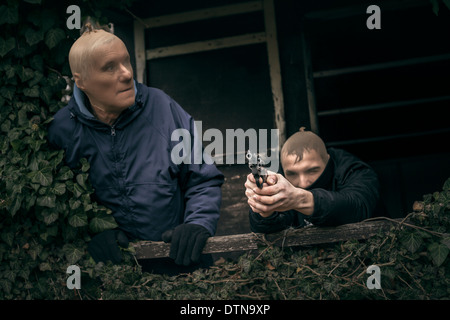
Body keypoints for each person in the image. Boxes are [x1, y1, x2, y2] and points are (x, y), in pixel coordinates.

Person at [48, 25, 224, 272]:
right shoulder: (61, 130)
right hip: (115, 278)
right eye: (110, 67)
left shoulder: (162, 108)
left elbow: (202, 178)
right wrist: (88, 235)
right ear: (82, 81)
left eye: (126, 62)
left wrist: (198, 223)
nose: (127, 74)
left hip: (184, 266)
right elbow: (60, 207)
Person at [245, 127, 385, 233]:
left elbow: (357, 208)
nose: (303, 182)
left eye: (312, 170)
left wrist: (299, 199)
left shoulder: (354, 170)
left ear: (328, 161)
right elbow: (271, 230)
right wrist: (265, 209)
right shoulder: (280, 177)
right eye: (292, 174)